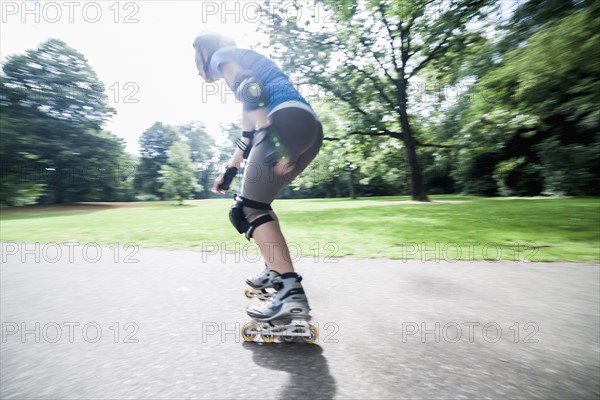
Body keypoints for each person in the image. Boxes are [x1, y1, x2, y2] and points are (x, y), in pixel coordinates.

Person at [193, 33, 323, 322]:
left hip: (284, 123)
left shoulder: (220, 57)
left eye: (195, 58)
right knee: (258, 205)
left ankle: (290, 293)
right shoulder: (249, 69)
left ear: (205, 51)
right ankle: (276, 271)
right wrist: (229, 172)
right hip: (308, 128)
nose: (196, 67)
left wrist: (276, 139)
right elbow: (247, 136)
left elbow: (248, 87)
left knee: (247, 209)